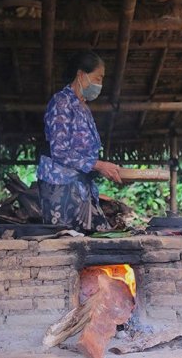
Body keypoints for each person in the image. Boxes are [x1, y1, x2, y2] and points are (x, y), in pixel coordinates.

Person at [37, 51, 122, 231]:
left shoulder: (83, 107)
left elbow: (85, 153)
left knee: (99, 238)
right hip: (60, 188)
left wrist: (104, 169)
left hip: (81, 188)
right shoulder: (61, 102)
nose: (100, 84)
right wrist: (99, 165)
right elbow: (59, 151)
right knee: (65, 245)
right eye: (98, 78)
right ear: (81, 75)